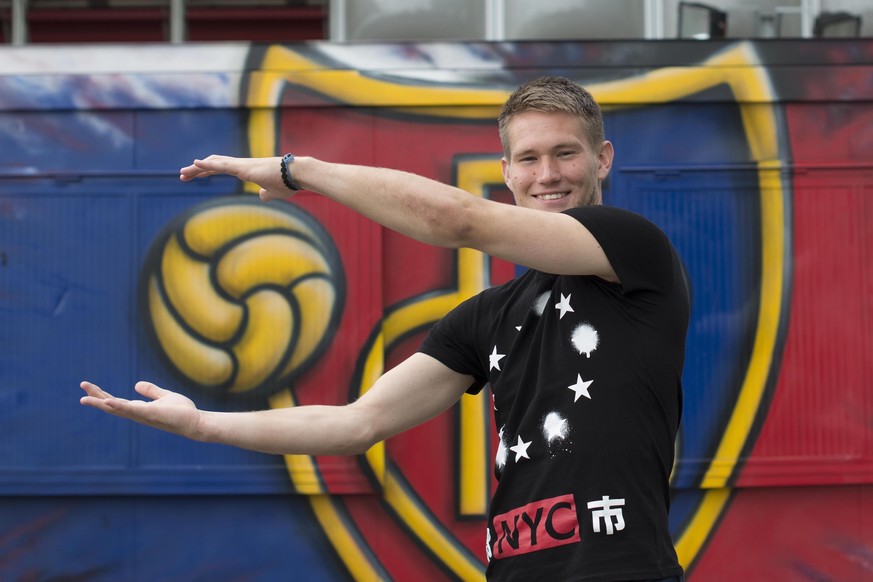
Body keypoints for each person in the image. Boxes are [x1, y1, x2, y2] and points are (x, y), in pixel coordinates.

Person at [80, 76, 688, 581]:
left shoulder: (633, 251)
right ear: (507, 171)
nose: (547, 174)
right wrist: (201, 424)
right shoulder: (486, 318)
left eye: (566, 153)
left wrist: (299, 170)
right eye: (528, 158)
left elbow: (459, 219)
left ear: (602, 158)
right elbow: (355, 424)